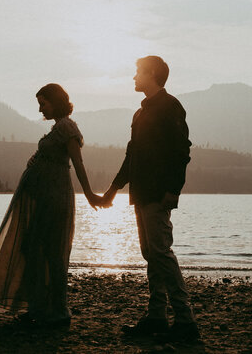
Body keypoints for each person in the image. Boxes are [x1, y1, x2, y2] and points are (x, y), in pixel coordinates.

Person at [0, 83, 102, 327]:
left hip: (54, 199)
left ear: (57, 101)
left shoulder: (67, 126)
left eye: (44, 103)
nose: (41, 109)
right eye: (39, 104)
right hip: (44, 198)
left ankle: (56, 311)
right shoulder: (56, 129)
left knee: (50, 252)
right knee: (34, 248)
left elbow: (78, 163)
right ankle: (39, 307)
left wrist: (90, 194)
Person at [100, 56, 200, 343]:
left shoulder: (171, 107)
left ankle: (185, 319)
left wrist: (174, 190)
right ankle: (156, 315)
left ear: (152, 74)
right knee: (151, 254)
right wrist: (112, 190)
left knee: (161, 253)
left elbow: (182, 151)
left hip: (158, 193)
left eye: (138, 72)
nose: (133, 77)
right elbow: (132, 156)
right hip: (141, 194)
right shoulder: (139, 113)